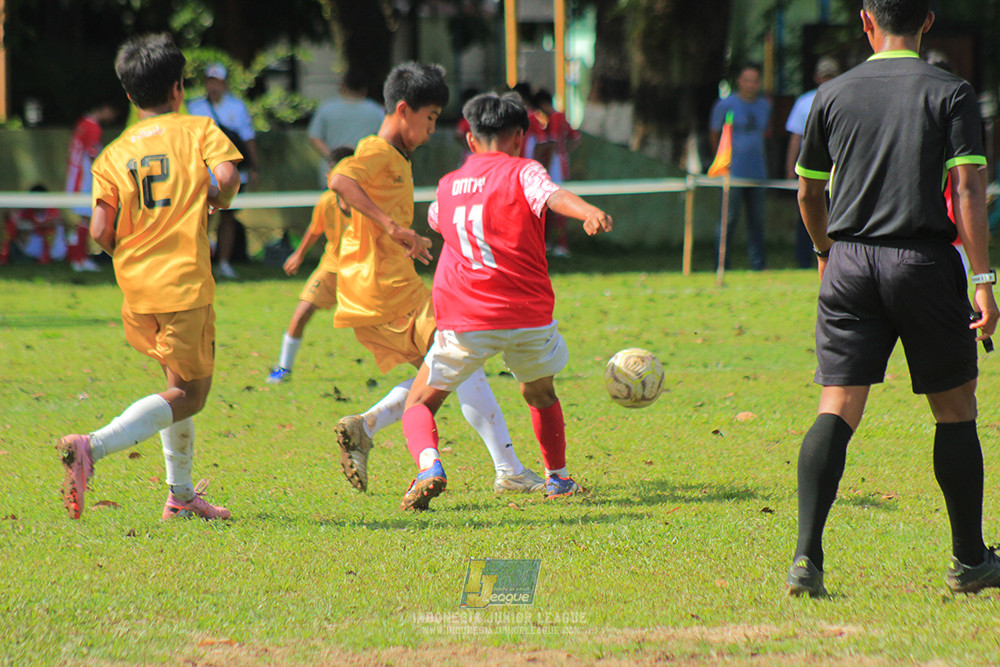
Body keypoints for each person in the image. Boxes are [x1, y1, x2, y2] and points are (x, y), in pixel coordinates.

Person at [788, 0, 1000, 596]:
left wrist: (825, 251)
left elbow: (808, 193)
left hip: (849, 263)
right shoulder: (951, 92)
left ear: (866, 21)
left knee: (837, 406)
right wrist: (983, 279)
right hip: (923, 263)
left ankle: (805, 559)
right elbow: (967, 188)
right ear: (928, 20)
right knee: (954, 410)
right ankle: (970, 560)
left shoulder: (831, 94)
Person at [327, 62, 545, 499]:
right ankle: (508, 470)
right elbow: (340, 179)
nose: (431, 131)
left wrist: (403, 239)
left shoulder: (395, 157)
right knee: (462, 359)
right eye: (429, 119)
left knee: (443, 373)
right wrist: (393, 228)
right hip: (385, 289)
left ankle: (367, 425)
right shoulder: (378, 150)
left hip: (380, 288)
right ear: (403, 110)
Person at [58, 33, 242, 521]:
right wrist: (215, 200)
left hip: (138, 288)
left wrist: (134, 256)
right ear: (178, 88)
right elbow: (227, 180)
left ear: (129, 93)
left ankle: (180, 497)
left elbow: (101, 231)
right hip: (184, 281)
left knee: (173, 385)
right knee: (191, 396)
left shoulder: (113, 154)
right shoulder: (198, 129)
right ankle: (91, 447)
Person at [399, 92, 613, 510]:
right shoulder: (524, 171)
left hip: (466, 316)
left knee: (420, 402)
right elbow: (551, 195)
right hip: (527, 313)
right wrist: (587, 211)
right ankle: (558, 478)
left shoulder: (448, 185)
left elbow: (438, 220)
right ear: (519, 137)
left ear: (471, 140)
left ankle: (429, 467)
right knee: (541, 394)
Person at [267, 146, 354, 384]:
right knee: (302, 312)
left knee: (383, 325)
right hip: (331, 267)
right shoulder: (327, 201)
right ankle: (284, 369)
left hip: (361, 271)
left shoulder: (367, 203)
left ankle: (423, 366)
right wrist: (299, 254)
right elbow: (315, 229)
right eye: (333, 175)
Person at [187, 63, 258, 280]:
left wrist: (255, 167)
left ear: (225, 84)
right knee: (201, 218)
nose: (213, 86)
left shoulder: (237, 107)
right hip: (203, 173)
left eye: (217, 82)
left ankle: (224, 262)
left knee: (228, 216)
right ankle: (200, 261)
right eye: (210, 81)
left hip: (231, 172)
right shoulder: (194, 107)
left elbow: (247, 138)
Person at [709, 63, 772, 271]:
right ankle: (721, 265)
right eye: (746, 80)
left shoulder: (765, 106)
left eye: (754, 81)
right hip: (732, 173)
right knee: (728, 220)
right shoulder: (725, 105)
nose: (750, 85)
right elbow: (714, 134)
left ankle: (758, 265)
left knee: (757, 221)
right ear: (739, 81)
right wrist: (720, 162)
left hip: (758, 172)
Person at [785, 57, 840, 269]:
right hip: (811, 167)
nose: (827, 80)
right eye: (824, 76)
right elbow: (795, 138)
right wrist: (790, 167)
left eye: (831, 76)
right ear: (817, 77)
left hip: (837, 169)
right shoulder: (803, 102)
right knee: (807, 213)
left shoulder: (844, 97)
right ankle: (803, 260)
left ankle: (836, 257)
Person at [65, 102, 118, 272]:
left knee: (83, 220)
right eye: (112, 112)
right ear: (105, 109)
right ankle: (79, 258)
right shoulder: (93, 127)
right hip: (83, 178)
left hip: (76, 175)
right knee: (84, 219)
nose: (112, 117)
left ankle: (79, 257)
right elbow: (93, 154)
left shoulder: (82, 123)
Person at [308, 70, 384, 189]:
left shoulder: (327, 108)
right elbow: (385, 141)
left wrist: (333, 156)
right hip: (365, 173)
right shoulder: (377, 111)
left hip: (332, 172)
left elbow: (314, 137)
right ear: (364, 89)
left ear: (343, 87)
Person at [534, 88, 581, 258]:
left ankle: (562, 245)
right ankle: (550, 242)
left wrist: (546, 165)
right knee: (551, 205)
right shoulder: (561, 116)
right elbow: (576, 138)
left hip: (555, 165)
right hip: (561, 162)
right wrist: (565, 152)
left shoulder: (554, 118)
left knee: (557, 204)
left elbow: (553, 144)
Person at [1, 185, 67, 265]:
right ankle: (6, 255)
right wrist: (12, 213)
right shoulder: (28, 211)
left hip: (53, 248)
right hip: (36, 244)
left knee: (53, 229)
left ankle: (49, 257)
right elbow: (10, 215)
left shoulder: (52, 210)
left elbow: (57, 221)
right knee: (15, 225)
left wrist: (36, 225)